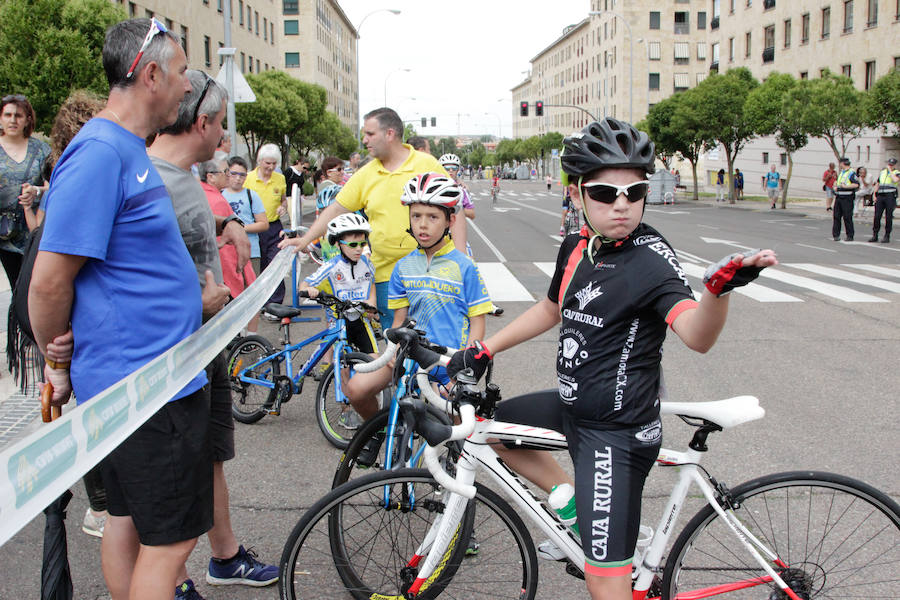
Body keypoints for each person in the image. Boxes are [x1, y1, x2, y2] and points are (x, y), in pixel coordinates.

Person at [446, 118, 777, 600]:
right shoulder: (578, 245)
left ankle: (604, 542)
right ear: (578, 194)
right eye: (604, 193)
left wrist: (718, 293)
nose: (621, 204)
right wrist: (484, 347)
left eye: (634, 191)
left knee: (606, 587)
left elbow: (696, 334)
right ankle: (580, 514)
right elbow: (552, 307)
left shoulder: (651, 260)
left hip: (616, 433)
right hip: (574, 408)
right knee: (499, 429)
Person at [29, 18, 210, 600]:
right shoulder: (101, 153)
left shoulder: (125, 148)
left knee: (130, 524)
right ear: (151, 74)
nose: (187, 88)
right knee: (171, 545)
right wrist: (54, 353)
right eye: (181, 73)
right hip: (146, 387)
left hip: (152, 382)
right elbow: (49, 281)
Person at [147, 70, 277, 599]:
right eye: (221, 126)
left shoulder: (188, 181)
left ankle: (224, 556)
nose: (224, 138)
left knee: (211, 454)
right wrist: (197, 303)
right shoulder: (147, 179)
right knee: (169, 481)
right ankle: (172, 582)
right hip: (171, 357)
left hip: (206, 345)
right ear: (201, 122)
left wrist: (226, 227)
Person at [279, 107, 453, 326]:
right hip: (387, 277)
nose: (365, 140)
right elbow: (335, 209)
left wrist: (462, 258)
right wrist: (305, 240)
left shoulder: (427, 164)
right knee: (395, 345)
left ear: (389, 134)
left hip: (430, 270)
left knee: (432, 340)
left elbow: (455, 210)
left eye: (370, 134)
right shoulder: (366, 174)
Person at [345, 172, 491, 426]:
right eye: (416, 216)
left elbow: (478, 322)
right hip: (409, 356)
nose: (422, 225)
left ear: (450, 220)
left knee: (454, 429)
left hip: (449, 363)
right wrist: (392, 348)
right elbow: (400, 320)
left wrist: (465, 368)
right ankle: (377, 434)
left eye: (432, 217)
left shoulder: (464, 267)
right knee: (356, 389)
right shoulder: (402, 267)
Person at [300, 213, 378, 429]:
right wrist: (310, 290)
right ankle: (346, 410)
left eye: (363, 243)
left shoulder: (367, 265)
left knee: (374, 363)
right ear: (338, 243)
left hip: (360, 321)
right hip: (338, 322)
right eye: (353, 243)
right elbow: (304, 285)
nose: (359, 248)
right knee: (343, 367)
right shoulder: (332, 266)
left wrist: (371, 304)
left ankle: (367, 402)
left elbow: (371, 286)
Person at [202, 157, 261, 334]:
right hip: (227, 265)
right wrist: (238, 272)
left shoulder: (203, 194)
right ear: (211, 177)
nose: (229, 176)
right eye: (226, 172)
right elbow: (225, 245)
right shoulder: (217, 200)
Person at [0, 94, 50, 287]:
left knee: (34, 287)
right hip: (4, 233)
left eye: (18, 115)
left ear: (28, 119)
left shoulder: (41, 150)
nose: (13, 120)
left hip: (34, 230)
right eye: (8, 115)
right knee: (17, 287)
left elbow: (54, 185)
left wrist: (36, 190)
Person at [245, 143, 287, 310]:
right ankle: (259, 302)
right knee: (259, 265)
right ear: (259, 161)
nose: (270, 167)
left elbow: (283, 199)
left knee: (275, 264)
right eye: (267, 163)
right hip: (255, 227)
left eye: (274, 164)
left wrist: (283, 206)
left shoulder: (280, 178)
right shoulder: (248, 178)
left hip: (274, 226)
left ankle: (275, 303)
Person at [221, 156, 267, 275]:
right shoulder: (220, 195)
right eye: (234, 174)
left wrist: (240, 228)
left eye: (242, 175)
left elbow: (263, 224)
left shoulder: (251, 195)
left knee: (251, 289)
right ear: (227, 173)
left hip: (251, 252)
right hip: (226, 253)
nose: (238, 178)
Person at [871, 157, 899, 243]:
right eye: (889, 164)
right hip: (880, 196)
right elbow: (878, 183)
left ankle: (887, 235)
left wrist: (890, 171)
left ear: (894, 165)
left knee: (888, 216)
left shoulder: (896, 173)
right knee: (877, 216)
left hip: (890, 196)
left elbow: (895, 180)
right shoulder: (882, 172)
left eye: (892, 164)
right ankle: (875, 235)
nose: (890, 165)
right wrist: (874, 195)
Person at [832, 157, 858, 241]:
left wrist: (845, 187)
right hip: (839, 196)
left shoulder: (851, 173)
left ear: (843, 163)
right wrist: (835, 186)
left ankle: (850, 235)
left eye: (840, 163)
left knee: (847, 217)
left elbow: (856, 185)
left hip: (847, 197)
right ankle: (836, 235)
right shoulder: (842, 172)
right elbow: (837, 182)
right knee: (836, 216)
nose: (839, 165)